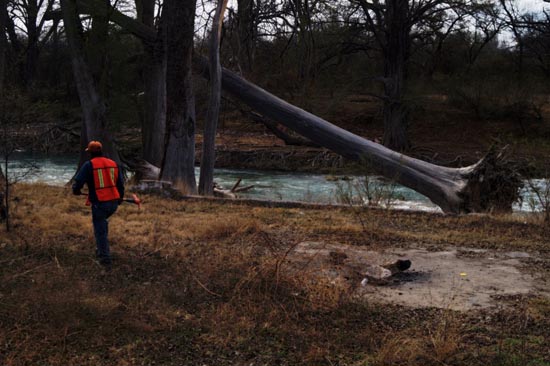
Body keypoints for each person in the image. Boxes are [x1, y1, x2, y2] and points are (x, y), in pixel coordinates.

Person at [72, 141, 124, 271]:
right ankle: (101, 249)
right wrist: (120, 199)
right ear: (101, 151)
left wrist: (76, 191)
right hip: (113, 203)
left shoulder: (89, 165)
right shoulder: (113, 163)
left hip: (100, 203)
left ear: (90, 153)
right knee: (103, 225)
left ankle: (105, 260)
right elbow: (120, 185)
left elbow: (78, 182)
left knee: (100, 231)